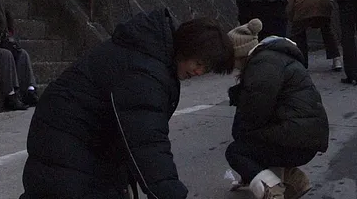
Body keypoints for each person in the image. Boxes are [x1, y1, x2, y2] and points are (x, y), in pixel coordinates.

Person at [21, 10, 234, 199]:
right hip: (66, 140)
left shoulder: (152, 55)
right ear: (187, 47)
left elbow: (136, 137)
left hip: (80, 140)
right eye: (198, 64)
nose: (198, 73)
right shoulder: (145, 72)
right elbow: (148, 142)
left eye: (205, 70)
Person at [225, 19, 329, 199]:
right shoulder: (274, 58)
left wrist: (248, 167)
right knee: (256, 140)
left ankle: (271, 190)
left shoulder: (262, 65)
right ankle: (296, 181)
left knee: (236, 150)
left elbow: (254, 114)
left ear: (238, 54)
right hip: (307, 138)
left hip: (298, 140)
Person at [284, 0, 340, 72]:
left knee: (298, 34)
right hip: (325, 1)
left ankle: (302, 62)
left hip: (304, 3)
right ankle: (337, 60)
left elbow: (289, 5)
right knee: (327, 31)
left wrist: (291, 18)